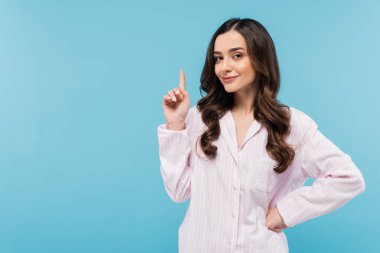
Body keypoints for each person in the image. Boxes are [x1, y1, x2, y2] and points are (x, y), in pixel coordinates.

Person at [157, 18, 365, 253]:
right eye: (218, 58)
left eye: (237, 55)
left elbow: (348, 178)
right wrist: (176, 125)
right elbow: (178, 191)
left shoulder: (292, 125)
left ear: (260, 58)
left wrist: (285, 212)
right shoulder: (199, 119)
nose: (224, 67)